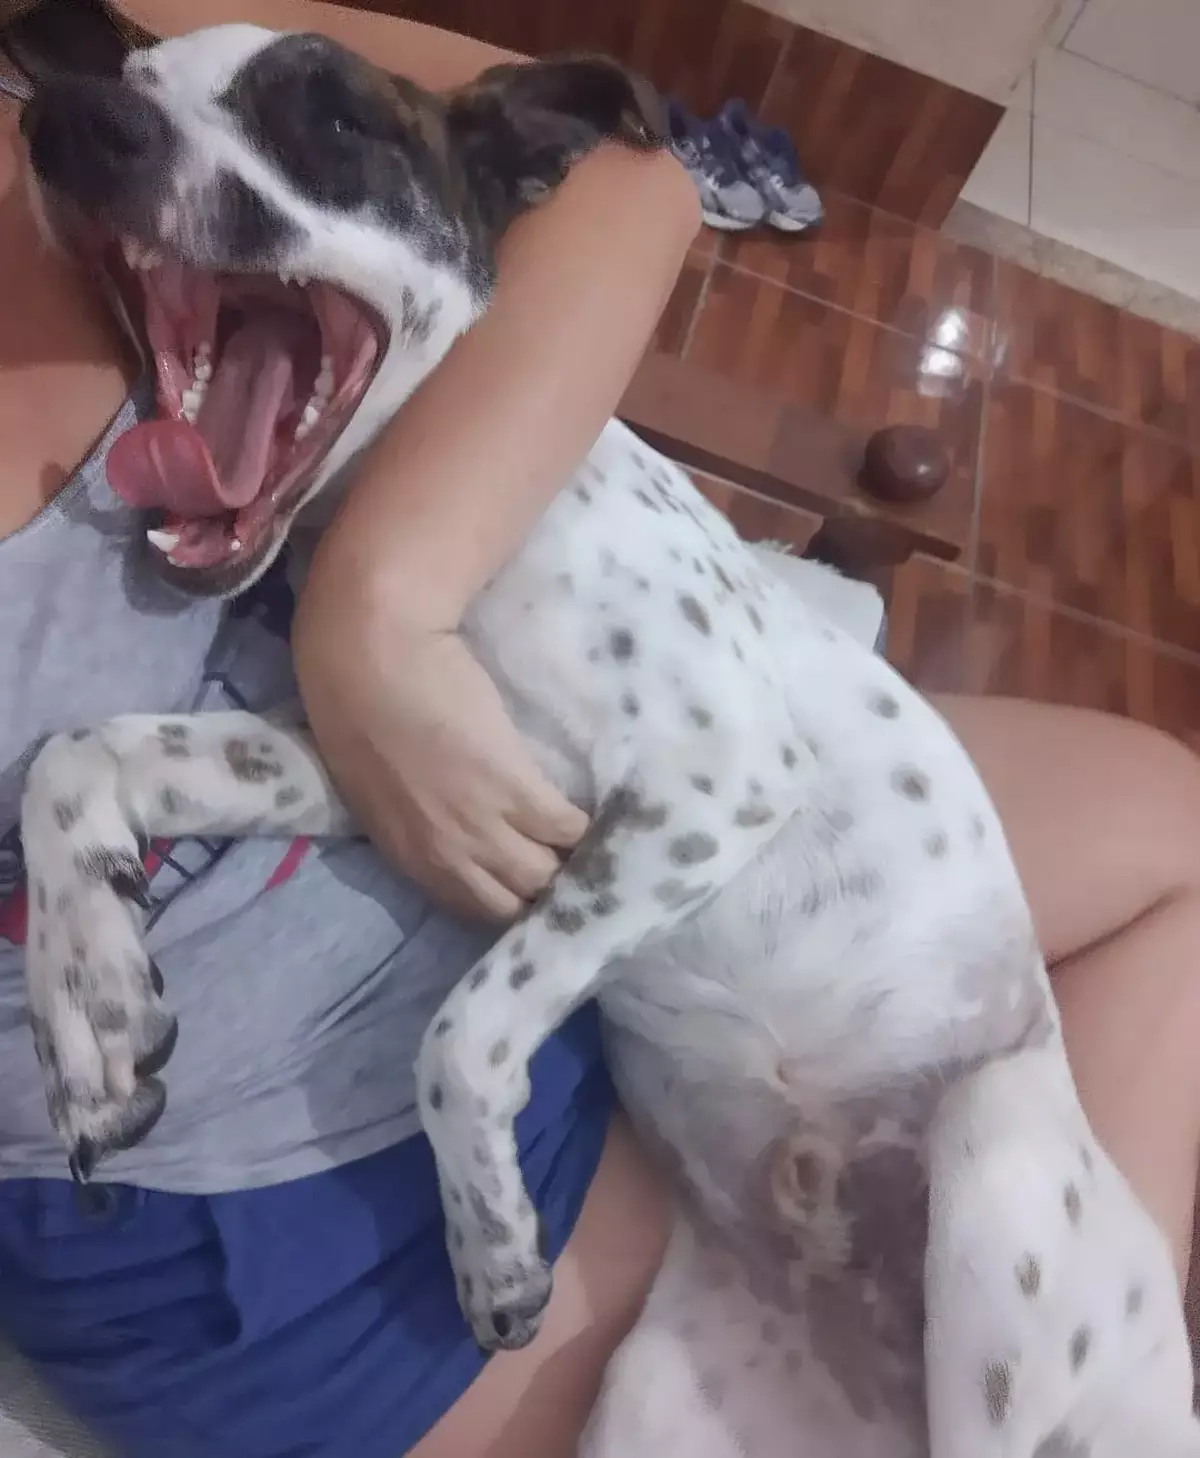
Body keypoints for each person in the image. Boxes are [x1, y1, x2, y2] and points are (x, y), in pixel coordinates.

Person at [0, 2, 1197, 1456]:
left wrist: (378, 607)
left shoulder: (294, 327)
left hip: (622, 949)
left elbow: (628, 178)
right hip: (327, 1173)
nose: (101, 130)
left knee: (1158, 853)